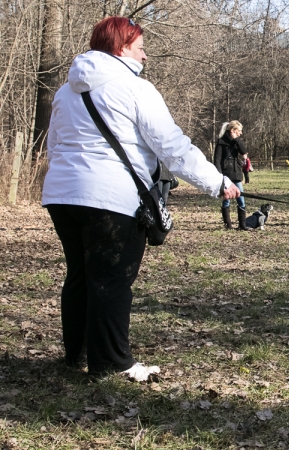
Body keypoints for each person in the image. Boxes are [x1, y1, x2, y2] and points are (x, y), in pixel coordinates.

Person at [41, 17, 241, 380]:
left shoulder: (64, 91)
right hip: (110, 197)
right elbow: (173, 147)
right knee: (113, 280)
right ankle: (112, 364)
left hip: (61, 195)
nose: (145, 56)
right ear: (121, 48)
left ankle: (78, 355)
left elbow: (54, 146)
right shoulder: (134, 89)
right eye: (140, 48)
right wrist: (217, 182)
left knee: (81, 276)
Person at [214, 121, 249, 230]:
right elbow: (217, 160)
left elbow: (244, 153)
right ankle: (228, 224)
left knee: (241, 199)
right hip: (225, 174)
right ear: (233, 130)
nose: (241, 133)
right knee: (226, 199)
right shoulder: (221, 142)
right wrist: (220, 176)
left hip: (236, 173)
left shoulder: (237, 142)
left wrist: (236, 139)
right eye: (239, 131)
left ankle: (242, 225)